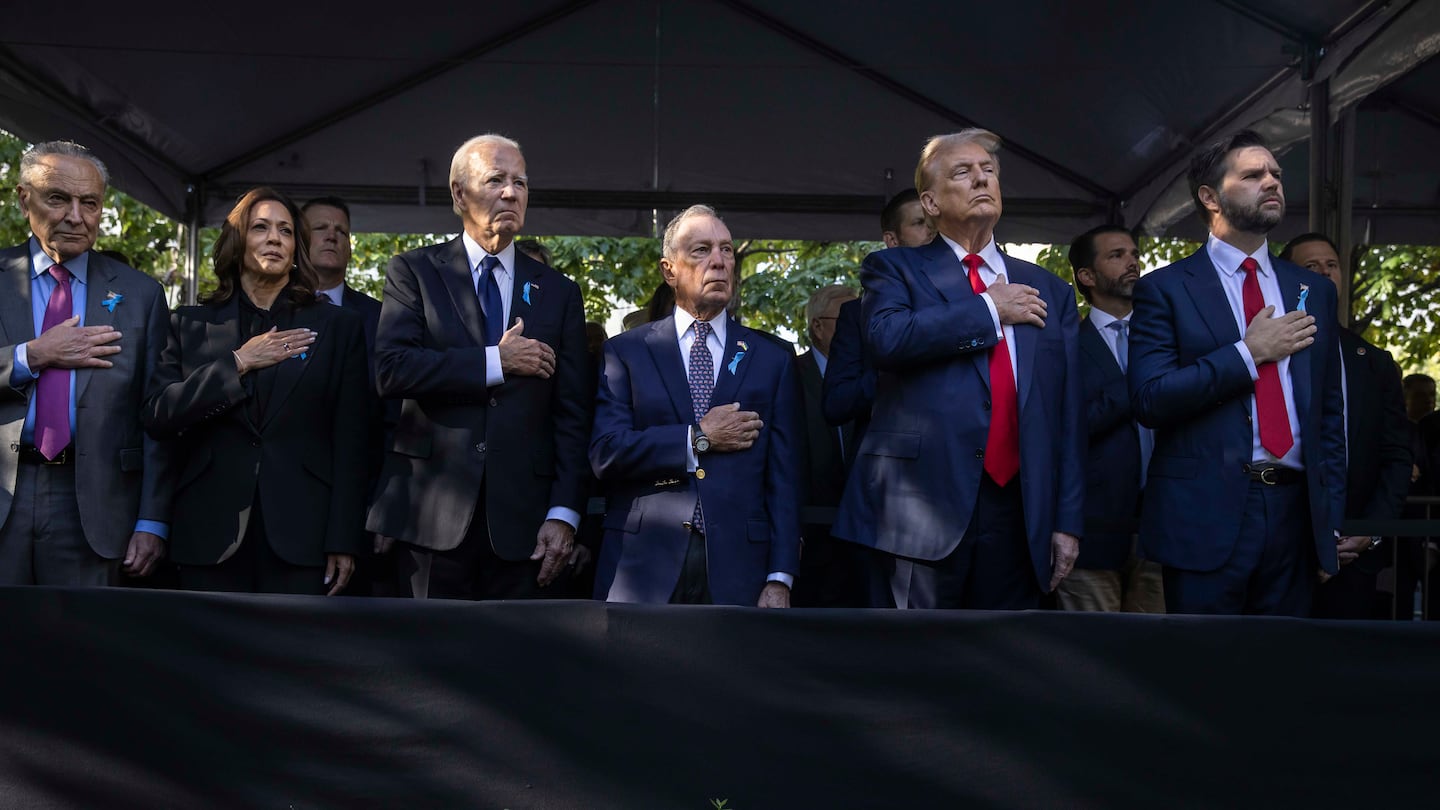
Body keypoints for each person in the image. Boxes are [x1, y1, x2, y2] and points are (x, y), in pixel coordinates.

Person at [832, 129, 1085, 610]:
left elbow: (1066, 416)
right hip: (919, 513)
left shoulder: (1047, 289)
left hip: (1020, 511)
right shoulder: (895, 269)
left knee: (1006, 670)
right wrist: (989, 310)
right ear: (929, 202)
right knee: (917, 670)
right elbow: (888, 338)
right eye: (963, 172)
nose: (981, 179)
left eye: (988, 170)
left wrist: (1066, 520)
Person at [1128, 130, 1346, 616]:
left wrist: (1328, 517)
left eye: (1276, 174)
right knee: (1204, 677)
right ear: (1210, 197)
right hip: (1204, 513)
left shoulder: (1312, 290)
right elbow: (1150, 398)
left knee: (1282, 675)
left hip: (1295, 513)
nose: (1271, 183)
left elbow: (1327, 412)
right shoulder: (1165, 289)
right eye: (1252, 175)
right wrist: (1248, 355)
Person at [366, 134, 591, 600]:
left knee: (512, 668)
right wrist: (496, 361)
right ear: (458, 193)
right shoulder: (414, 272)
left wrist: (564, 513)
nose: (511, 192)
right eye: (496, 180)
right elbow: (392, 369)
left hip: (524, 526)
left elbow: (572, 415)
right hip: (430, 517)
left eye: (520, 182)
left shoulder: (559, 292)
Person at [144, 187, 369, 594]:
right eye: (260, 227)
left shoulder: (338, 326)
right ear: (237, 241)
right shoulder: (190, 324)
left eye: (285, 231)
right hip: (208, 532)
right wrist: (237, 364)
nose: (274, 238)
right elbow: (159, 415)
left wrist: (344, 538)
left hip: (304, 535)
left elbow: (351, 440)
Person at [590, 205, 802, 606]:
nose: (720, 262)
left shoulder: (772, 357)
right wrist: (697, 438)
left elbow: (786, 477)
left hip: (740, 568)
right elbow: (606, 452)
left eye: (726, 250)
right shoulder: (627, 353)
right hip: (643, 565)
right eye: (702, 250)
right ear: (669, 271)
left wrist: (780, 575)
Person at [0, 140, 173, 586]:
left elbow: (157, 415)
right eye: (58, 198)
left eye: (89, 203)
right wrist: (31, 355)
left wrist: (152, 520)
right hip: (6, 494)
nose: (75, 216)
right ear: (23, 199)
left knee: (77, 650)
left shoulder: (141, 295)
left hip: (96, 504)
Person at [1280, 233, 1411, 619]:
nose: (1324, 274)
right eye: (1311, 267)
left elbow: (1396, 455)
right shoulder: (1267, 350)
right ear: (1287, 277)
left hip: (1354, 552)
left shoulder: (1374, 362)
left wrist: (1369, 531)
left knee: (1342, 672)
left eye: (1331, 266)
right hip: (1279, 549)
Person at [1061, 225, 1164, 612]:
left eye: (1134, 254)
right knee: (1091, 659)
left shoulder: (1167, 339)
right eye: (1117, 255)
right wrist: (1138, 383)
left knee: (1155, 656)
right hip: (1092, 530)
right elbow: (1066, 428)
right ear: (1086, 276)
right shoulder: (1065, 345)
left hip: (1164, 525)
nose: (1133, 262)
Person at [303, 195, 395, 595]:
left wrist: (388, 504)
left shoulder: (383, 319)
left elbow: (397, 418)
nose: (332, 236)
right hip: (286, 500)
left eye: (342, 231)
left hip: (362, 504)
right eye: (320, 228)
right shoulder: (271, 313)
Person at [823, 190, 935, 466]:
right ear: (892, 240)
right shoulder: (857, 314)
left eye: (934, 222)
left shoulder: (968, 304)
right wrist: (897, 368)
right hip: (886, 475)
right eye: (920, 223)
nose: (931, 231)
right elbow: (835, 404)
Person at [793, 284, 866, 607]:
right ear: (817, 326)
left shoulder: (871, 377)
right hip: (809, 536)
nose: (857, 327)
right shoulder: (790, 375)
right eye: (846, 318)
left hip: (862, 536)